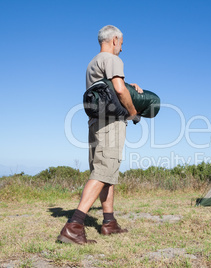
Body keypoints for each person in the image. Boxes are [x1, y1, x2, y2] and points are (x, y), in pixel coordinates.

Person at [57, 25, 142, 244]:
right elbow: (119, 90)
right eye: (121, 44)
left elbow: (108, 90)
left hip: (95, 122)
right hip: (111, 124)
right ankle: (74, 226)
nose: (121, 49)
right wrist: (133, 113)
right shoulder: (112, 59)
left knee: (106, 173)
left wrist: (127, 86)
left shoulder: (92, 63)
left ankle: (109, 222)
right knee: (104, 171)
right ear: (115, 40)